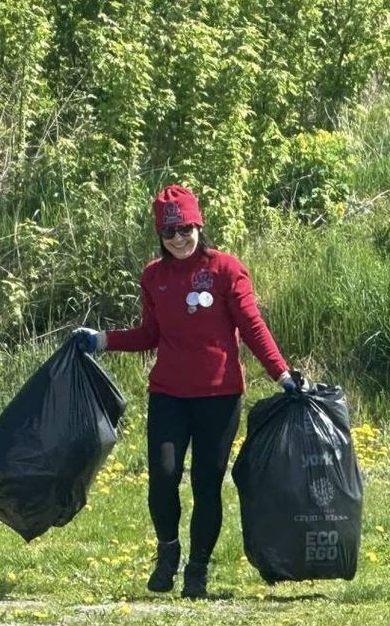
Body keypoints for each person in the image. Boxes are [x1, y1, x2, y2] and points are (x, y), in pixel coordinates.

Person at [74, 184, 294, 599]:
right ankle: (168, 552)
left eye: (185, 229)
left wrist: (281, 374)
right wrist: (101, 340)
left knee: (207, 485)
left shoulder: (227, 270)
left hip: (220, 396)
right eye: (169, 232)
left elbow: (252, 327)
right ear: (160, 235)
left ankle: (198, 570)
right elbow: (149, 335)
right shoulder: (154, 276)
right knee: (162, 477)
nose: (178, 239)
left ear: (198, 224)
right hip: (169, 395)